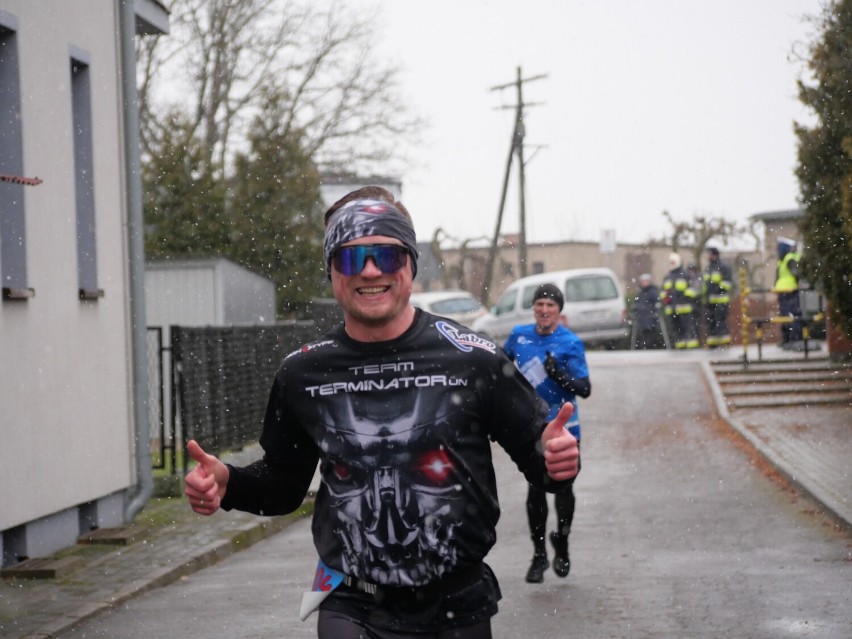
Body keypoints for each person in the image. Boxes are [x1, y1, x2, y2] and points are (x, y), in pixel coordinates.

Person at [183, 186, 580, 639]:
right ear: (333, 272)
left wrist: (557, 461)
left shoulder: (474, 359)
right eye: (351, 258)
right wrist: (228, 483)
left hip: (457, 603)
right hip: (352, 602)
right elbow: (283, 486)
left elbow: (540, 459)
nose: (369, 270)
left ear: (410, 264)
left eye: (386, 256)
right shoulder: (304, 372)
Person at [502, 284, 591, 584]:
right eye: (539, 303)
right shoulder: (519, 335)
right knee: (535, 489)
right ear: (533, 308)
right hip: (533, 427)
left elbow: (585, 389)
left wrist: (558, 374)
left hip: (566, 428)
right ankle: (539, 554)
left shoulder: (570, 342)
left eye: (550, 305)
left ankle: (562, 544)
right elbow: (498, 367)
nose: (544, 309)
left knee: (564, 489)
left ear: (559, 310)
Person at [660, 253, 700, 349]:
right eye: (670, 262)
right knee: (676, 331)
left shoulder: (686, 275)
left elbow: (696, 289)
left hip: (685, 309)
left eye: (673, 262)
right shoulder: (667, 277)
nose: (671, 264)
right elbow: (662, 292)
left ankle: (692, 348)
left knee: (689, 330)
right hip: (672, 310)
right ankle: (680, 347)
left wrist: (685, 295)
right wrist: (666, 297)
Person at [773, 237, 803, 350]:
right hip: (783, 292)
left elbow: (796, 273)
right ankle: (787, 340)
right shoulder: (782, 261)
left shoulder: (789, 259)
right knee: (785, 316)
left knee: (791, 315)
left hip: (790, 292)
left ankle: (794, 340)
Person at [702, 247, 733, 348]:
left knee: (721, 321)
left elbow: (727, 283)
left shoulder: (723, 266)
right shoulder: (708, 268)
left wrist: (718, 289)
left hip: (721, 300)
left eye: (709, 254)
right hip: (710, 301)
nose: (708, 256)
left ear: (715, 255)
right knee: (711, 322)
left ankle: (724, 343)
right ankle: (713, 343)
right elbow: (705, 285)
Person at [630, 273, 665, 349]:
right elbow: (636, 303)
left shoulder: (652, 292)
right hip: (642, 318)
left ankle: (648, 346)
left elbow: (657, 303)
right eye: (642, 281)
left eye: (645, 281)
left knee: (649, 334)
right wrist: (634, 310)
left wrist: (656, 312)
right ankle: (645, 346)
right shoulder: (640, 293)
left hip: (650, 318)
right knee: (644, 333)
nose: (644, 283)